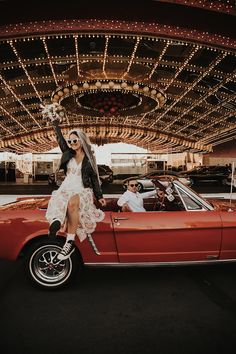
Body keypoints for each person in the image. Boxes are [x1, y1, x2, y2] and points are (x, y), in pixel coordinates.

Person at [45, 118, 106, 261]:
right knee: (58, 199)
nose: (72, 143)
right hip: (67, 186)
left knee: (72, 203)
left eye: (75, 140)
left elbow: (94, 179)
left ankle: (69, 242)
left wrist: (99, 195)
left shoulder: (90, 158)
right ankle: (56, 222)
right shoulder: (68, 153)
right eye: (70, 141)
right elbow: (60, 140)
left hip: (83, 189)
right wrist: (55, 125)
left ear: (82, 140)